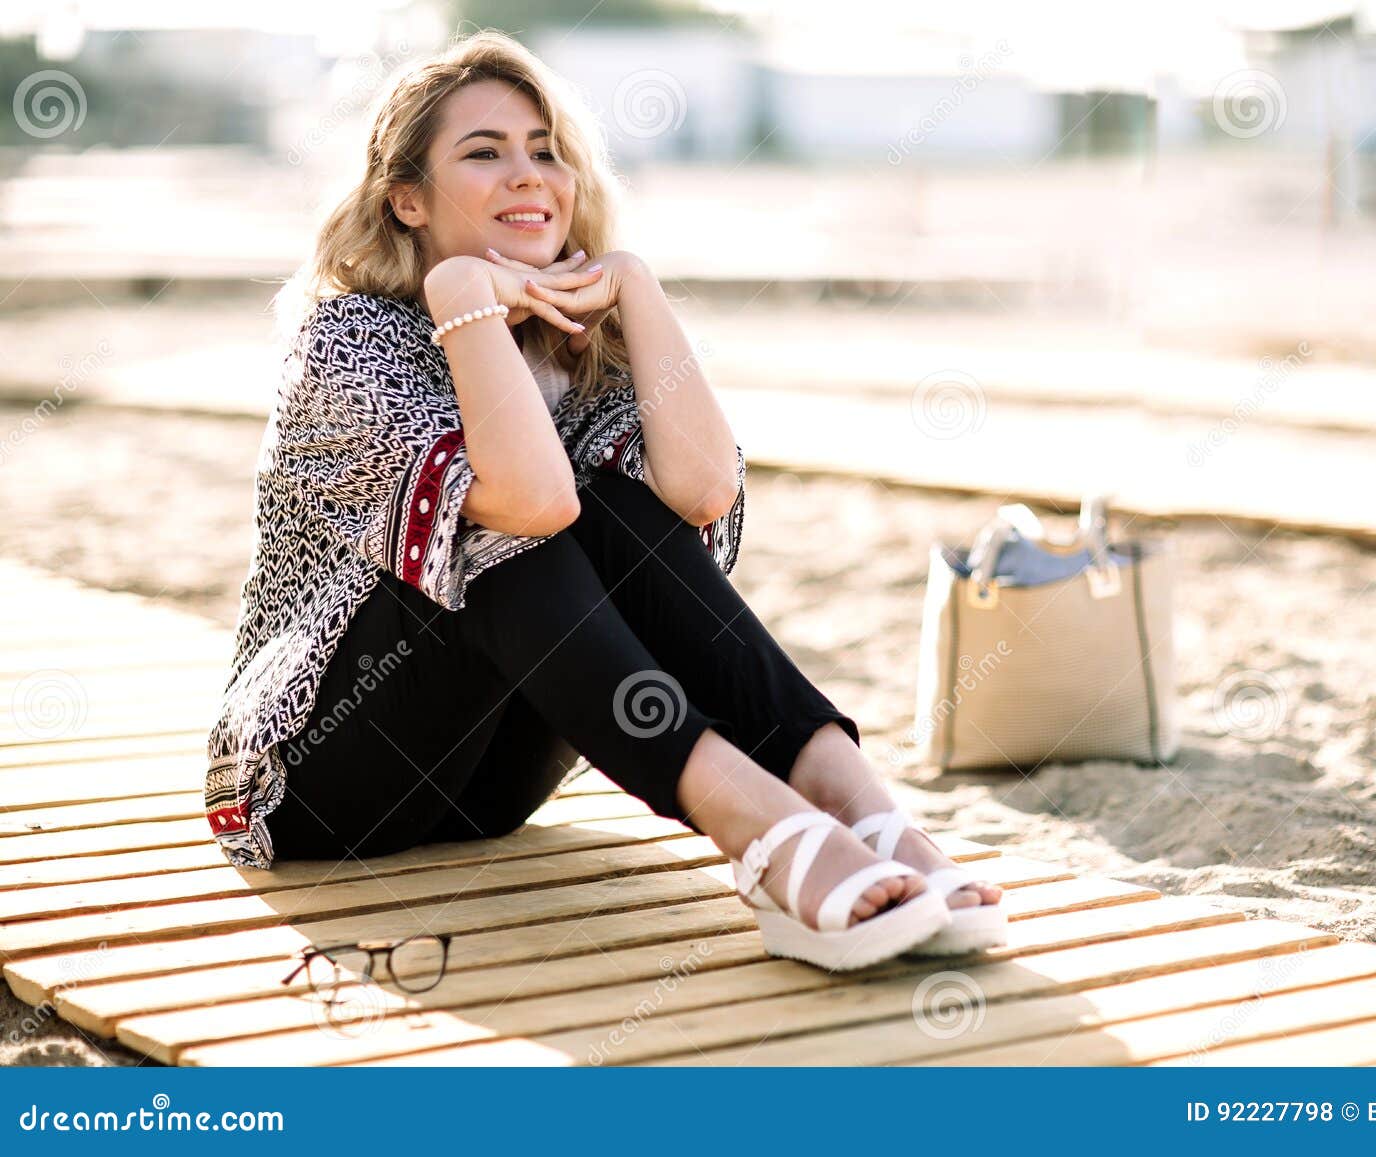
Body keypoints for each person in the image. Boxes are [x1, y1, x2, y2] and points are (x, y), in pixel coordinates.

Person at [206, 29, 1003, 971]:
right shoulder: (348, 341)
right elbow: (532, 505)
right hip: (321, 784)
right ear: (406, 199)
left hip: (489, 786)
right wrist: (461, 288)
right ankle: (764, 831)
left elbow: (700, 494)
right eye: (484, 152)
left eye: (546, 151)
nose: (528, 176)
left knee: (622, 505)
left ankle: (863, 809)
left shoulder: (572, 333)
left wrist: (632, 285)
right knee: (505, 520)